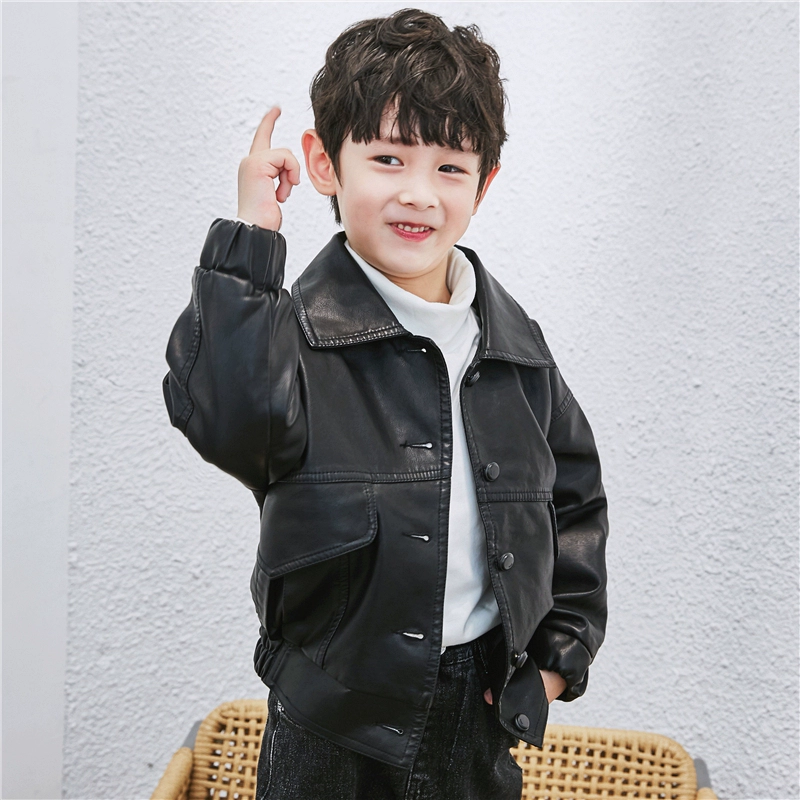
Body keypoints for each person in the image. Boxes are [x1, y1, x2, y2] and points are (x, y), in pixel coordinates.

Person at [163, 8, 608, 799]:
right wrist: (251, 238)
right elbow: (227, 420)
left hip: (477, 716)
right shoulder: (293, 334)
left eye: (450, 168)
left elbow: (576, 504)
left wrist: (552, 666)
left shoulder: (516, 348)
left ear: (485, 183)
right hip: (330, 725)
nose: (418, 194)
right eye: (388, 158)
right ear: (324, 163)